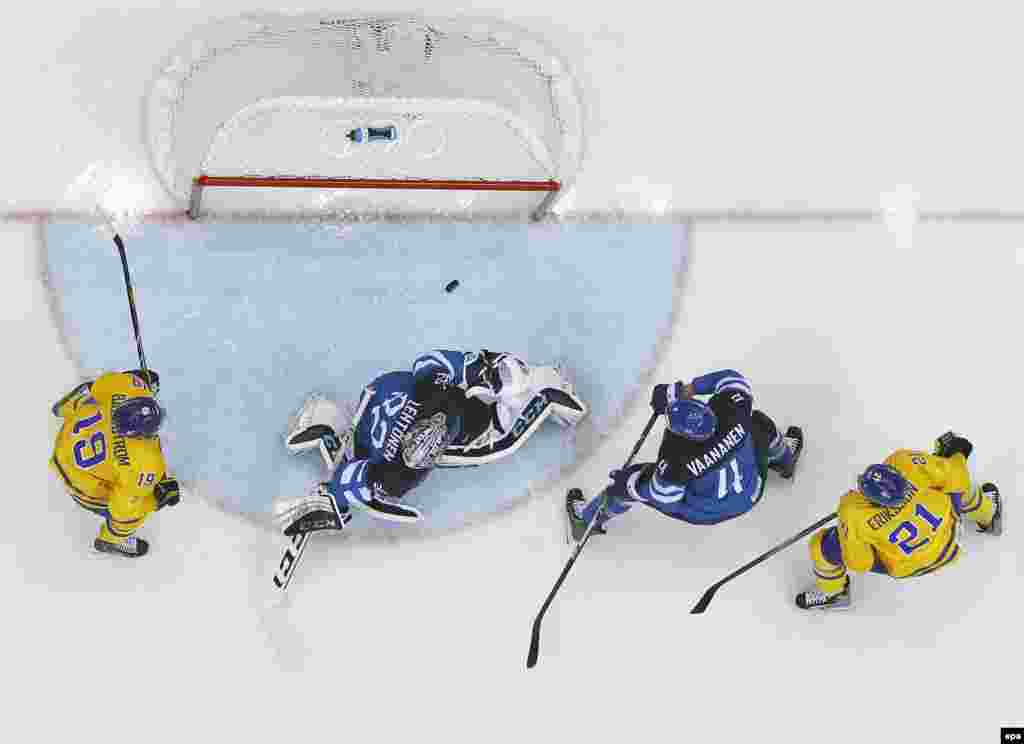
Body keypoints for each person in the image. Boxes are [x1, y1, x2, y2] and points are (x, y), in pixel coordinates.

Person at [278, 349, 586, 534]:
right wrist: (337, 495)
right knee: (388, 470)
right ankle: (329, 434)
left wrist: (479, 371)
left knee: (382, 465)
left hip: (382, 395)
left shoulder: (434, 389)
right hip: (397, 416)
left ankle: (325, 419)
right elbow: (433, 365)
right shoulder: (407, 461)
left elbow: (429, 363)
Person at [567, 368, 802, 539]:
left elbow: (664, 497)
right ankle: (785, 461)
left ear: (681, 435)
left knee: (631, 482)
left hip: (707, 511)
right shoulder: (733, 412)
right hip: (752, 488)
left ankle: (587, 520)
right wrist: (685, 390)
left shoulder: (677, 459)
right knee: (759, 423)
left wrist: (627, 484)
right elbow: (731, 378)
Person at [795, 431, 1002, 610]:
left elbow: (860, 563)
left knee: (820, 547)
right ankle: (989, 514)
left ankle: (833, 592)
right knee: (958, 486)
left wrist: (848, 525)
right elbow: (958, 475)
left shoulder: (854, 512)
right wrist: (955, 454)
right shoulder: (905, 463)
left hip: (907, 566)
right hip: (949, 538)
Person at [50, 370, 179, 557]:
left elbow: (104, 384)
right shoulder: (142, 466)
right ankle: (111, 540)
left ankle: (65, 407)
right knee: (133, 513)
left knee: (92, 395)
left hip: (67, 439)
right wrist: (155, 500)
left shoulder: (122, 388)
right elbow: (123, 512)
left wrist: (139, 382)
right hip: (76, 481)